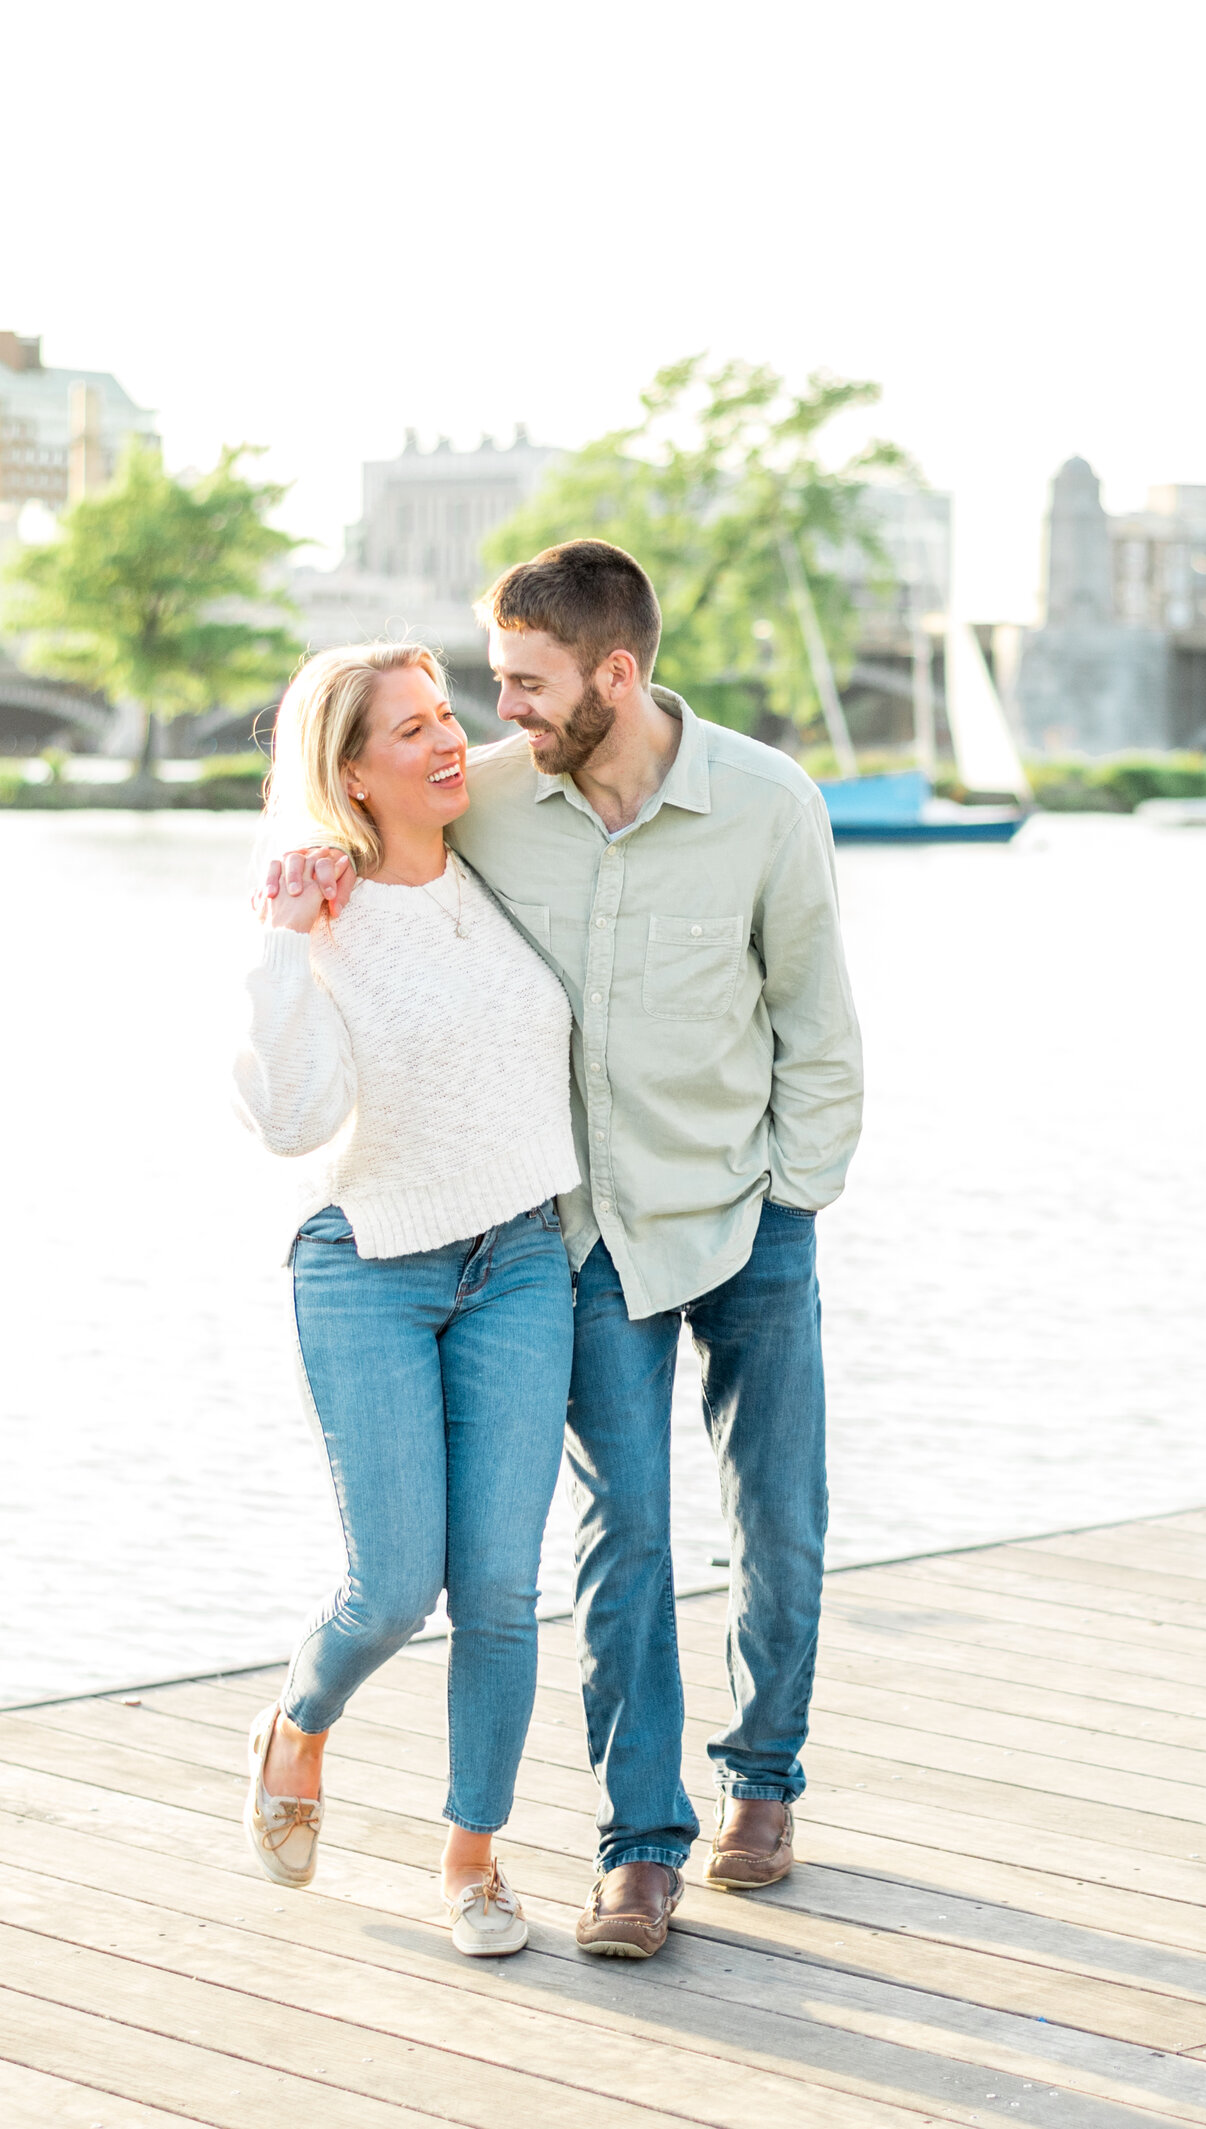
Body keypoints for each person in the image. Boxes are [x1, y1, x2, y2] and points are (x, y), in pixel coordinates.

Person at [287, 539, 864, 1959]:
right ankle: (640, 1846)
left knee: (778, 1524)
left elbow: (820, 1024)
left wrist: (792, 1194)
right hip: (585, 1236)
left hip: (747, 1216)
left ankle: (764, 1777)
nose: (504, 712)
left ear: (616, 673)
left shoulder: (768, 804)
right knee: (629, 1537)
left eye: (530, 684)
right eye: (496, 684)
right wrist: (306, 874)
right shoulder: (490, 794)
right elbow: (378, 846)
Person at [228, 641, 581, 1960]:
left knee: (498, 1589)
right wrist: (278, 946)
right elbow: (288, 1120)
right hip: (368, 1261)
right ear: (351, 771)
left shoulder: (495, 861)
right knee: (390, 1589)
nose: (448, 744)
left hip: (522, 1258)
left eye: (450, 718)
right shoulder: (316, 913)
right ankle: (298, 1724)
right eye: (411, 731)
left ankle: (474, 1861)